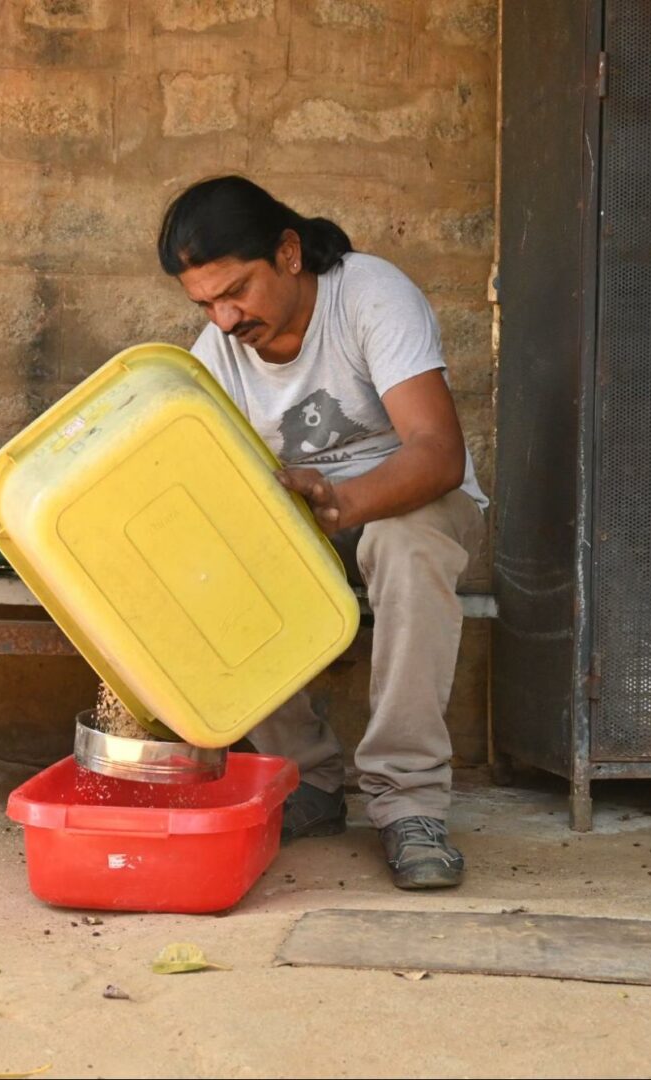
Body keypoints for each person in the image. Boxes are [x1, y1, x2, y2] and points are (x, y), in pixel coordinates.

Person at [156, 175, 488, 890]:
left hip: (417, 502)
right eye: (205, 303)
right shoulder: (217, 357)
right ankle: (303, 779)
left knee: (404, 545)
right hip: (309, 523)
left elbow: (437, 452)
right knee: (216, 557)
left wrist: (341, 499)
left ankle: (409, 804)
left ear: (289, 251)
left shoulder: (368, 294)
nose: (223, 318)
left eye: (236, 290)